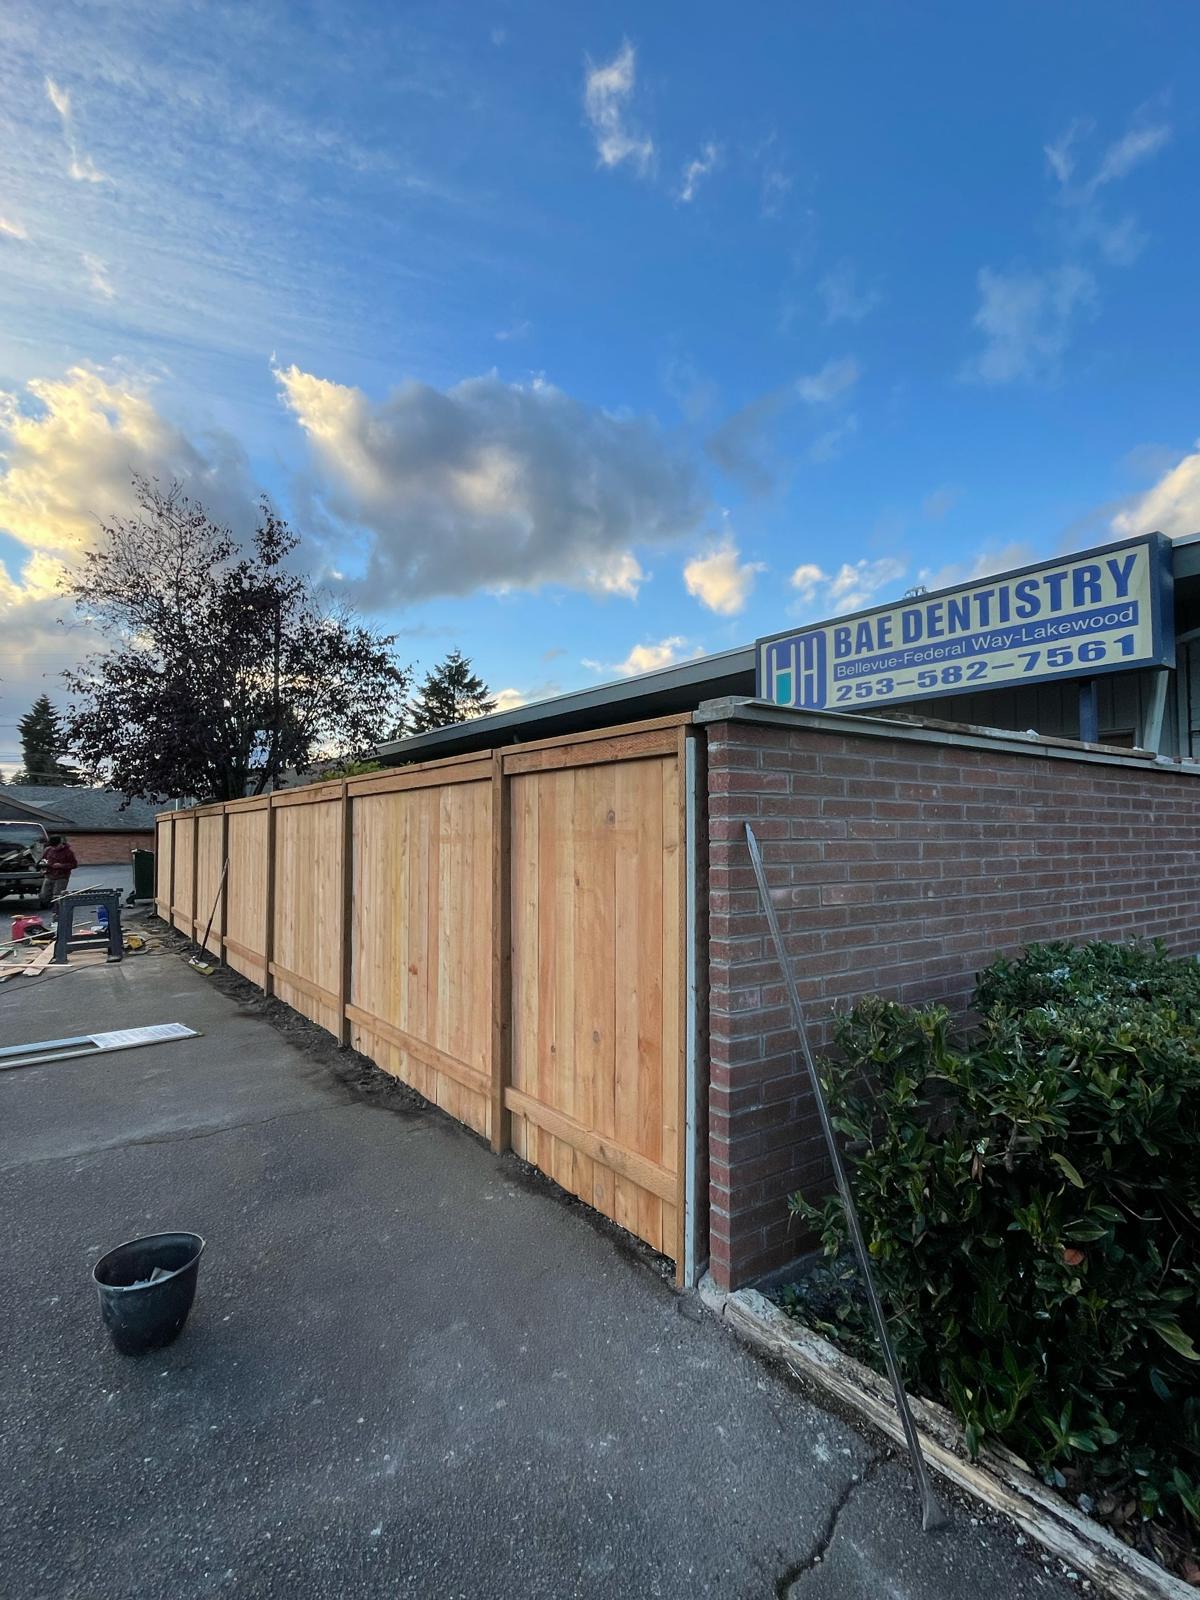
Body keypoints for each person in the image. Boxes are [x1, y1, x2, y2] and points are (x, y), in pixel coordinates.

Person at [39, 834, 78, 909]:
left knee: (57, 895)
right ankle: (46, 906)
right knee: (44, 894)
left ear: (60, 844)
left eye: (55, 846)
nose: (54, 848)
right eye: (52, 846)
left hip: (61, 877)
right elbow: (43, 860)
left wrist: (61, 866)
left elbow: (74, 864)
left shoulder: (68, 852)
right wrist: (43, 866)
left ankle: (57, 909)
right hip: (49, 875)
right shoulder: (48, 850)